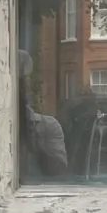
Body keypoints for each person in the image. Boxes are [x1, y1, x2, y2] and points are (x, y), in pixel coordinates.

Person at [17, 49, 68, 180]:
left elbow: (60, 171)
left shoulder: (48, 126)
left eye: (24, 83)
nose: (24, 89)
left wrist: (35, 144)